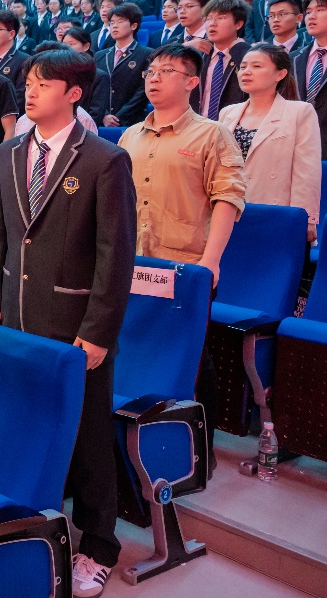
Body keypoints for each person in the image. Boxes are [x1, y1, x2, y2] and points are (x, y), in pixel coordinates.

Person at [0, 48, 138, 597]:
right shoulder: (9, 152)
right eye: (28, 81)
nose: (30, 90)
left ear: (73, 94)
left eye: (44, 83)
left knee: (90, 437)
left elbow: (116, 255)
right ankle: (29, 530)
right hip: (16, 317)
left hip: (76, 327)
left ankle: (99, 546)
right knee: (25, 426)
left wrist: (98, 331)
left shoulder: (103, 159)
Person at [119, 42, 247, 467]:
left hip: (185, 267)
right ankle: (147, 446)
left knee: (192, 357)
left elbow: (228, 198)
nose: (154, 78)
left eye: (166, 71)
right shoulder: (130, 135)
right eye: (150, 71)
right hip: (134, 262)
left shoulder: (212, 134)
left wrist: (210, 262)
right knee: (138, 348)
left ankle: (200, 451)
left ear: (192, 82)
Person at [218, 44, 320, 241]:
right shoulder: (228, 113)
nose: (246, 72)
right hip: (228, 210)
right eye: (243, 66)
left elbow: (306, 172)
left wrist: (306, 218)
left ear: (280, 74)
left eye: (256, 66)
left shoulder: (300, 112)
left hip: (274, 211)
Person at [191, 0, 251, 120]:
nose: (212, 23)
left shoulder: (248, 55)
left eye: (221, 18)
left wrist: (240, 49)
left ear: (238, 24)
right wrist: (185, 47)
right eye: (209, 18)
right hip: (198, 125)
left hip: (233, 125)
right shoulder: (199, 55)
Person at [96, 2, 153, 127]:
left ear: (134, 26)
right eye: (112, 22)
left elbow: (143, 90)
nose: (114, 26)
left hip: (134, 121)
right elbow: (94, 89)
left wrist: (119, 117)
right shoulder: (100, 56)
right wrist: (104, 115)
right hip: (103, 122)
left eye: (120, 21)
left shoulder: (147, 54)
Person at [294, 0, 327, 159]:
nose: (311, 16)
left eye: (320, 10)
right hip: (298, 148)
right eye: (308, 12)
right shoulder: (293, 58)